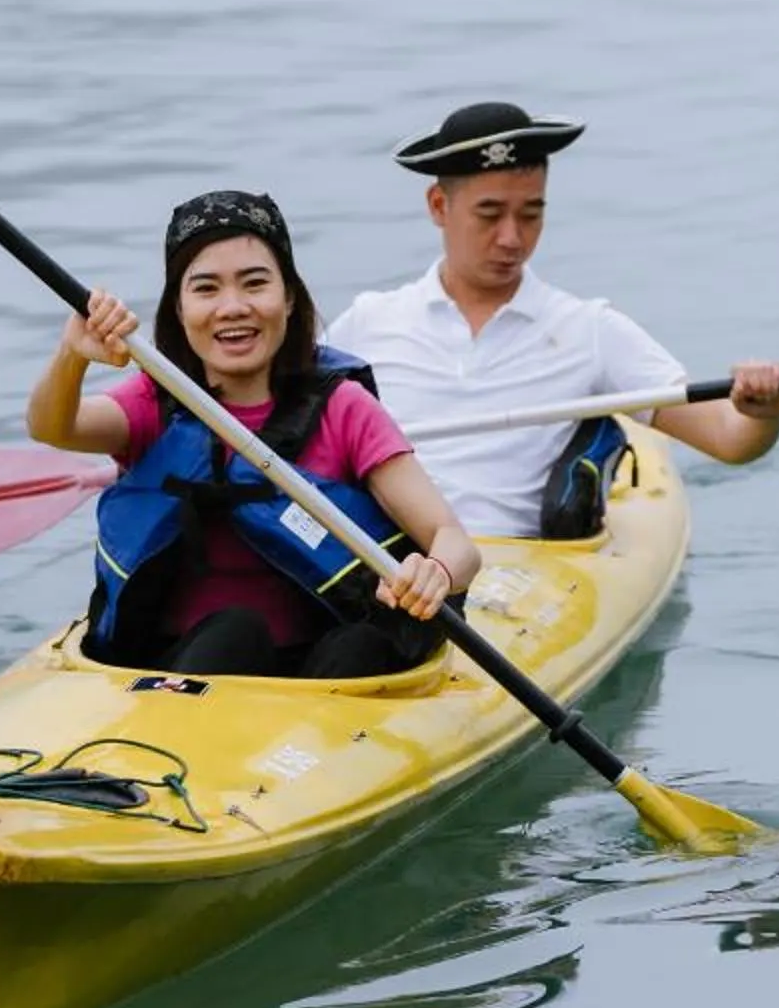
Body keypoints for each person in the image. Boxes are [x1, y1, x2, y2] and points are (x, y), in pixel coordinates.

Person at [29, 189, 482, 680]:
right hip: (179, 674)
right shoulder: (156, 402)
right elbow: (54, 427)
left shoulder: (343, 409)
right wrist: (72, 355)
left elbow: (454, 540)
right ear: (179, 310)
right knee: (234, 633)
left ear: (288, 297)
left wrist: (434, 572)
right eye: (206, 289)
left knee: (363, 644)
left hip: (323, 677)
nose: (233, 307)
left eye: (255, 284)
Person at [320, 102, 779, 540]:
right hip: (392, 562)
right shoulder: (369, 324)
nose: (512, 238)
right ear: (439, 207)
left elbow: (730, 441)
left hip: (524, 584)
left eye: (531, 214)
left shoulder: (589, 331)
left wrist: (765, 411)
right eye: (490, 214)